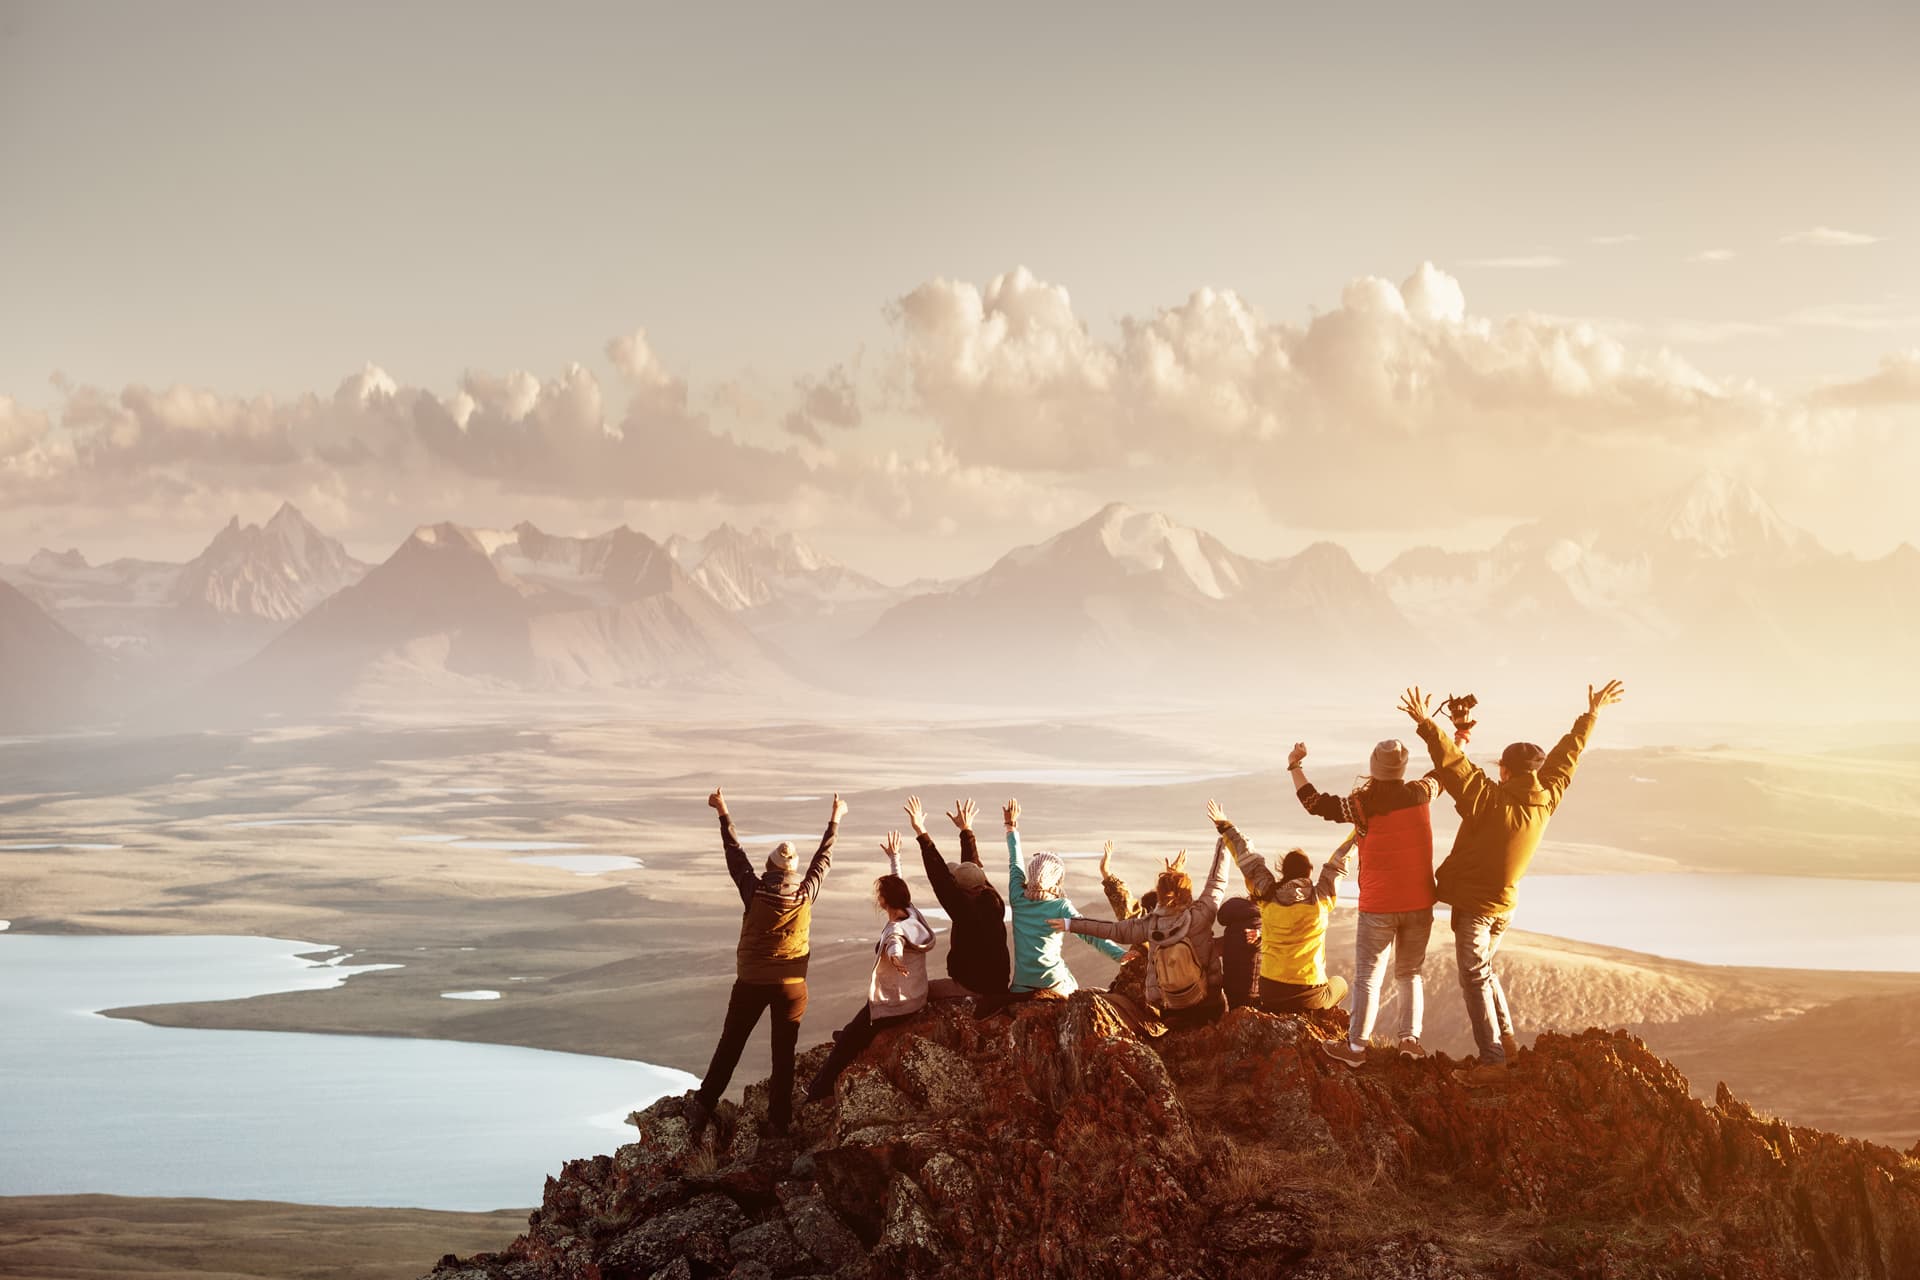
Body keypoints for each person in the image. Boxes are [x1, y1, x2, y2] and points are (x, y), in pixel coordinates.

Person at [1400, 680, 1626, 1086]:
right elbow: (1567, 756)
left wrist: (1425, 723)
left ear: (1504, 769)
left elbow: (1454, 766)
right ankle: (1508, 1042)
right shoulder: (1548, 795)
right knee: (1484, 972)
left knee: (1473, 978)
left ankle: (1493, 1061)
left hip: (1478, 908)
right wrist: (1590, 716)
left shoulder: (1489, 800)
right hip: (1506, 907)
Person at [686, 788, 841, 1139]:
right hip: (791, 988)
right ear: (792, 871)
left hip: (752, 983)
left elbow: (735, 854)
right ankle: (779, 1121)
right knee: (783, 1054)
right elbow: (823, 860)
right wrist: (835, 819)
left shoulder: (753, 892)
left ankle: (703, 1105)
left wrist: (723, 811)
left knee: (731, 1045)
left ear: (770, 868)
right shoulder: (806, 894)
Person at [1291, 738, 1443, 1068]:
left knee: (1367, 978)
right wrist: (1459, 737)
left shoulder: (1361, 804)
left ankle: (1357, 1048)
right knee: (1410, 973)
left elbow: (1314, 802)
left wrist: (1295, 765)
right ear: (1402, 768)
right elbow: (1445, 771)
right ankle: (1409, 1041)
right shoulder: (1423, 792)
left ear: (1374, 767)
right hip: (1419, 901)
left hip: (1379, 905)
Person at [804, 830, 936, 1102]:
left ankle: (818, 1091)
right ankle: (858, 1034)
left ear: (883, 901)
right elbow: (901, 890)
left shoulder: (895, 930)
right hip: (916, 996)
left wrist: (896, 959)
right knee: (855, 1028)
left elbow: (895, 944)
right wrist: (894, 858)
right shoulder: (914, 916)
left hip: (897, 1005)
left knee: (845, 1043)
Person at [1056, 835, 1231, 1025]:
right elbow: (1217, 882)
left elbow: (1112, 928)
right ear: (1186, 893)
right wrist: (1225, 835)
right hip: (1208, 1007)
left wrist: (1069, 924)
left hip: (1170, 1010)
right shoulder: (1199, 918)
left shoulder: (1149, 926)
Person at [1210, 799, 1356, 1015]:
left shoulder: (1267, 895)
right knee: (1340, 984)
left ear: (1283, 871)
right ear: (1309, 872)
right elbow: (1339, 861)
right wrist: (1360, 830)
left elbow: (1247, 859)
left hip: (1270, 991)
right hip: (1309, 992)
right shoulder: (1321, 898)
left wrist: (1225, 826)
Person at [982, 798, 1128, 1012]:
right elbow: (1090, 934)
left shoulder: (1018, 896)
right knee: (1076, 990)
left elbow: (1015, 862)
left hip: (1021, 985)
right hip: (1053, 983)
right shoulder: (1060, 907)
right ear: (1056, 879)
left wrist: (1011, 825)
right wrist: (1120, 955)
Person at [905, 795, 1011, 998]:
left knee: (915, 994)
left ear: (963, 891)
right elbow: (971, 868)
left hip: (974, 987)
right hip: (997, 984)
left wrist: (921, 832)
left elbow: (939, 878)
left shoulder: (966, 912)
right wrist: (966, 830)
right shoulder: (990, 896)